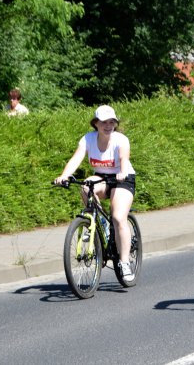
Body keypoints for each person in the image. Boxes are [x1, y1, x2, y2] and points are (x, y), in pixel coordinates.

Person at [54, 105, 137, 281]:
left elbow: (124, 158)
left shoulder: (120, 139)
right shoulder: (88, 139)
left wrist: (122, 172)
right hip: (101, 177)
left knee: (118, 216)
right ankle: (99, 224)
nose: (108, 126)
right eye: (104, 122)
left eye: (111, 122)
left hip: (123, 178)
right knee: (85, 187)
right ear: (96, 124)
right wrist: (64, 176)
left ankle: (124, 262)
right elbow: (76, 158)